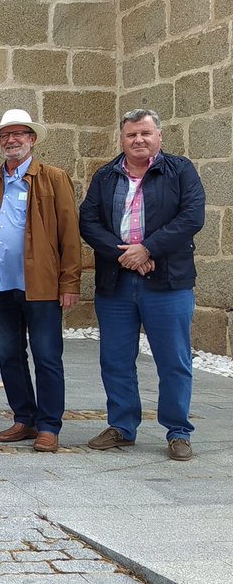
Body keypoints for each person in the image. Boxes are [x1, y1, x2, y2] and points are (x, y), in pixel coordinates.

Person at [80, 109, 205, 462]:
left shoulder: (181, 170)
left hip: (168, 283)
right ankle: (122, 426)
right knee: (116, 359)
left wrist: (149, 249)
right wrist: (125, 255)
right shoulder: (106, 176)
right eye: (132, 134)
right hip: (117, 282)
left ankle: (178, 431)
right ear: (122, 139)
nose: (138, 140)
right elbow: (88, 221)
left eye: (145, 133)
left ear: (160, 136)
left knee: (174, 360)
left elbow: (192, 216)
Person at [0, 109, 81, 453]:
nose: (11, 140)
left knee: (47, 356)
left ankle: (49, 426)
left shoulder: (53, 178)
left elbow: (70, 235)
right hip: (1, 287)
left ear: (32, 139)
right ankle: (24, 418)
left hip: (43, 287)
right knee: (9, 356)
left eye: (19, 134)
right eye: (5, 135)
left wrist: (70, 283)